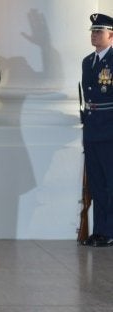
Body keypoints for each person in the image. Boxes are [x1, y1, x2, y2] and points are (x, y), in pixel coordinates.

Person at [80, 13, 113, 247]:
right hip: (92, 129)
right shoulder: (87, 61)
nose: (94, 35)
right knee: (97, 183)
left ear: (111, 35)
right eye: (92, 31)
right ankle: (100, 231)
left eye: (98, 31)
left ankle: (109, 231)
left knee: (111, 183)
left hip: (110, 129)